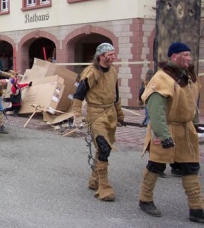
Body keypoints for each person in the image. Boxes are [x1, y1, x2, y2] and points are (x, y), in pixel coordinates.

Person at [138, 42, 204, 223]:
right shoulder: (162, 78)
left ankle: (197, 209)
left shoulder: (188, 77)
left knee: (191, 168)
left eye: (190, 55)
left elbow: (192, 104)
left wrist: (196, 125)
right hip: (166, 128)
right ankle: (145, 199)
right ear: (174, 56)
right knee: (156, 166)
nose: (189, 58)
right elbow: (156, 110)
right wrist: (163, 135)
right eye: (185, 55)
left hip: (186, 129)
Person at [69, 42, 124, 202]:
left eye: (114, 54)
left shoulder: (113, 71)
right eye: (110, 55)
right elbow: (78, 95)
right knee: (104, 148)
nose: (113, 57)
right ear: (101, 56)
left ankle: (94, 180)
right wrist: (77, 115)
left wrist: (120, 115)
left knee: (103, 149)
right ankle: (104, 187)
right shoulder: (91, 72)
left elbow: (116, 95)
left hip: (111, 113)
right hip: (96, 114)